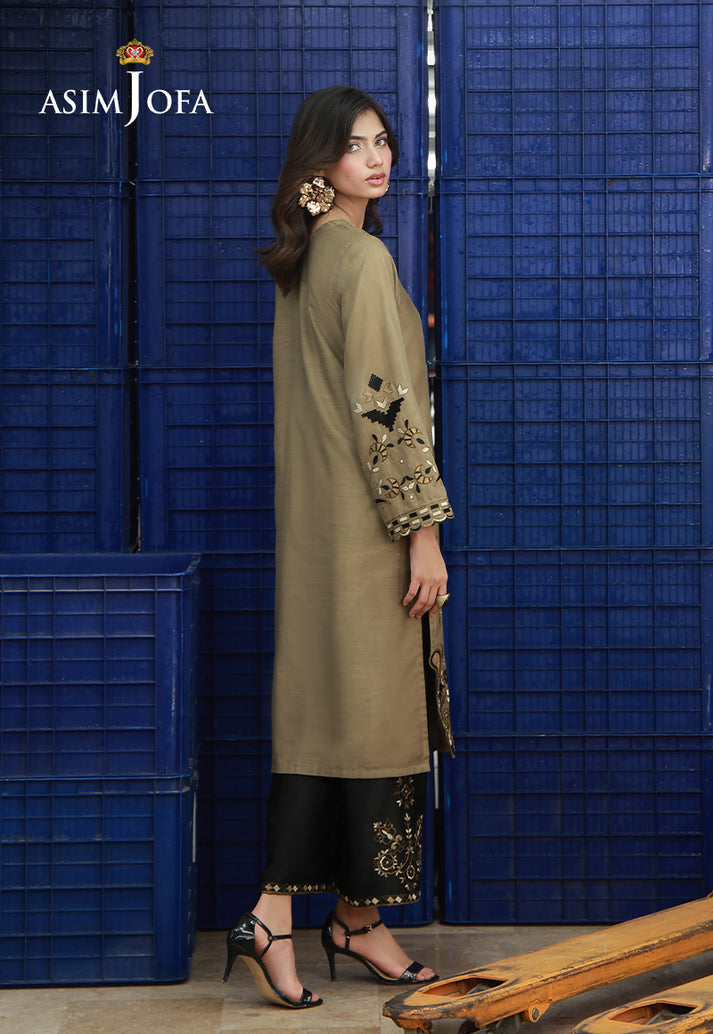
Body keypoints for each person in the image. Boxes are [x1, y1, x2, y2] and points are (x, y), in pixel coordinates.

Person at [222, 85, 455, 1010]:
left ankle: (351, 921)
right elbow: (385, 410)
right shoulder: (357, 257)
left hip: (317, 536)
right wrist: (422, 534)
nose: (377, 157)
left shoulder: (308, 256)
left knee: (330, 717)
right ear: (318, 162)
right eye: (355, 145)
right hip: (368, 535)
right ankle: (277, 914)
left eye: (382, 140)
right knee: (374, 718)